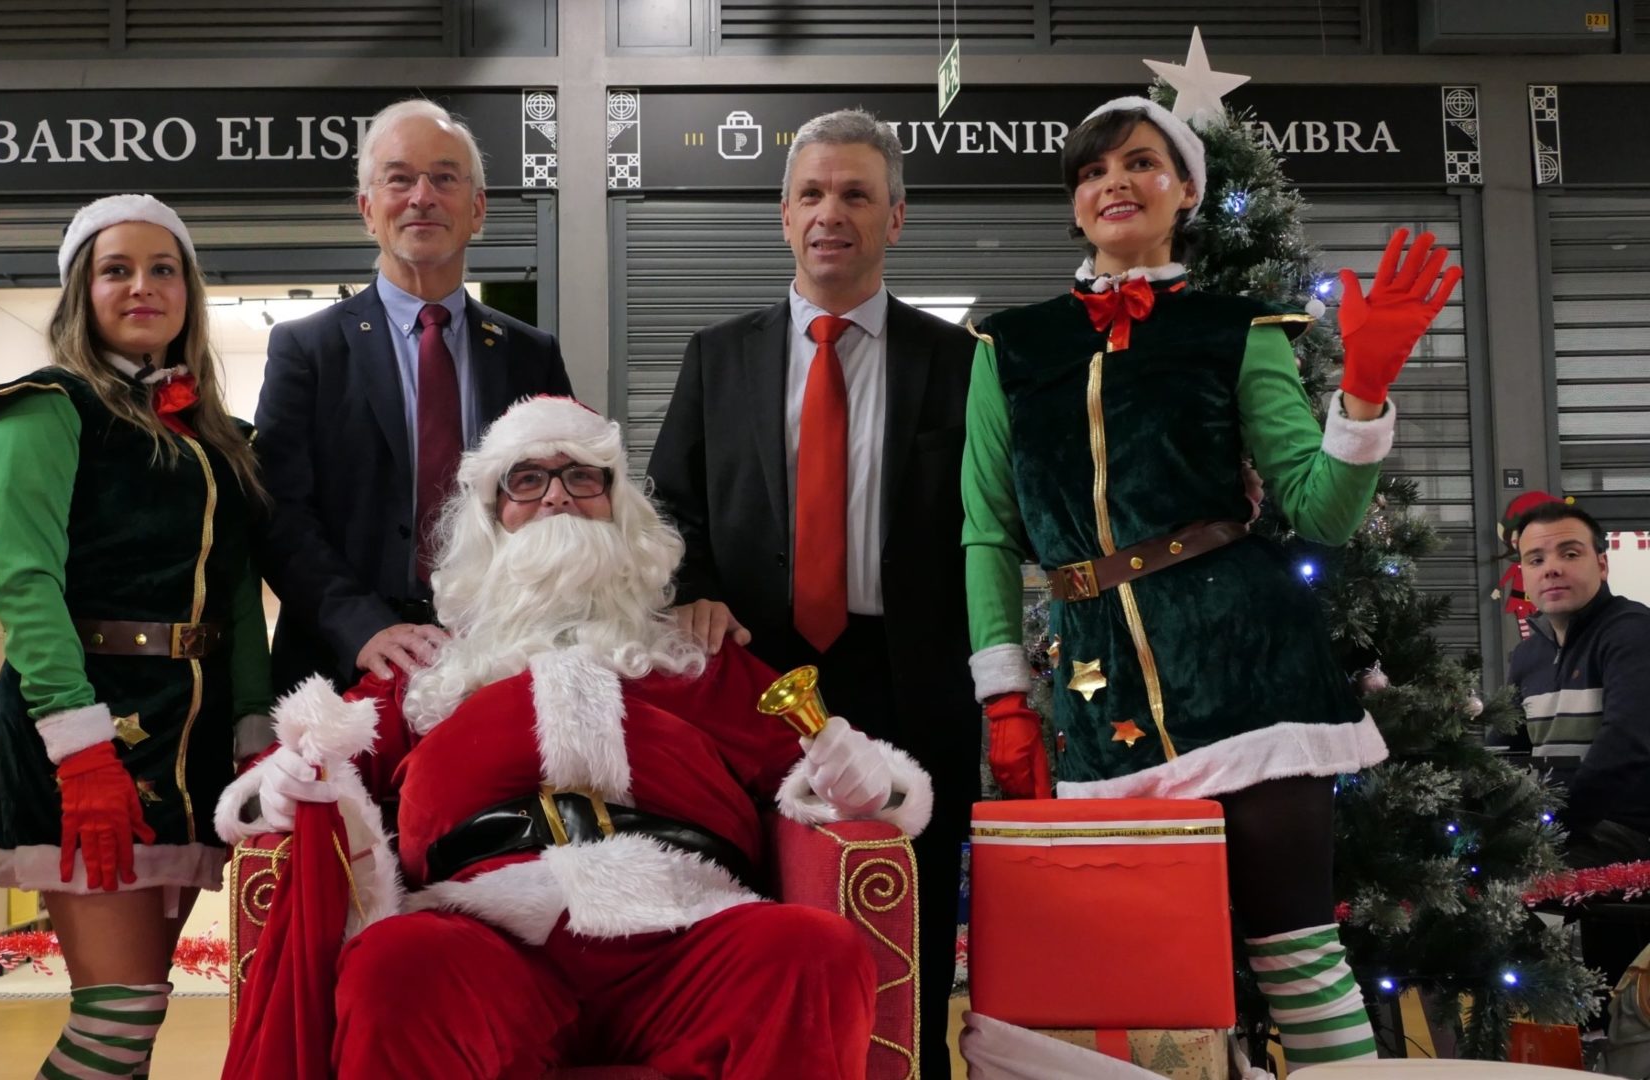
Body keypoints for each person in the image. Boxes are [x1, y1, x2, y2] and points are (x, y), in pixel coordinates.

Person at [218, 395, 933, 1078]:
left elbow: (823, 764)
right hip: (484, 938)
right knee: (394, 963)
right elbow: (303, 766)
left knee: (810, 951)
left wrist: (867, 783)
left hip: (687, 930)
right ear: (492, 518)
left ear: (621, 509)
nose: (556, 497)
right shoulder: (426, 671)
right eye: (527, 480)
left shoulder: (699, 655)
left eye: (581, 477)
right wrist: (277, 787)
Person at [960, 96, 1458, 1068]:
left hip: (1253, 670)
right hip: (1101, 693)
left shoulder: (1241, 329)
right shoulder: (1007, 348)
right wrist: (1004, 691)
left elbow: (1319, 511)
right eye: (1094, 171)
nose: (1115, 183)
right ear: (1074, 202)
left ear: (1185, 191)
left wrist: (1362, 397)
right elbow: (986, 531)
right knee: (1137, 968)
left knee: (1297, 954)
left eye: (1141, 164)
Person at [646, 109, 977, 1076]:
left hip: (913, 681)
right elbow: (668, 510)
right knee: (757, 913)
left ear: (895, 218)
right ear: (783, 215)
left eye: (856, 194)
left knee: (911, 923)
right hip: (755, 681)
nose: (832, 212)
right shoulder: (718, 356)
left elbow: (1003, 511)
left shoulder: (961, 363)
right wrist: (693, 591)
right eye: (812, 193)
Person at [0, 194, 273, 1079]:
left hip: (190, 744)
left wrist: (254, 729)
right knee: (119, 1018)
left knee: (140, 1015)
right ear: (83, 290)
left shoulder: (217, 438)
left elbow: (238, 595)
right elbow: (26, 586)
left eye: (162, 268)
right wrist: (80, 752)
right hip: (86, 734)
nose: (142, 285)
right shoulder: (44, 409)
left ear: (189, 291)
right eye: (117, 269)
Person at [255, 97, 572, 695]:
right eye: (399, 179)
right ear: (367, 209)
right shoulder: (307, 351)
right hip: (343, 667)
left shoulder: (532, 355)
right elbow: (279, 514)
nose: (422, 196)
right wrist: (362, 626)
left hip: (501, 661)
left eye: (444, 178)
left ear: (477, 209)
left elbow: (561, 505)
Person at [1506, 499, 1650, 869]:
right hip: (1559, 827)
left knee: (1512, 875)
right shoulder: (1526, 657)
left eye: (1569, 554)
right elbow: (1504, 750)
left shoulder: (1633, 633)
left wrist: (1556, 823)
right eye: (1536, 560)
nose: (1551, 569)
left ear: (1602, 565)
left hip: (1626, 831)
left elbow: (1626, 744)